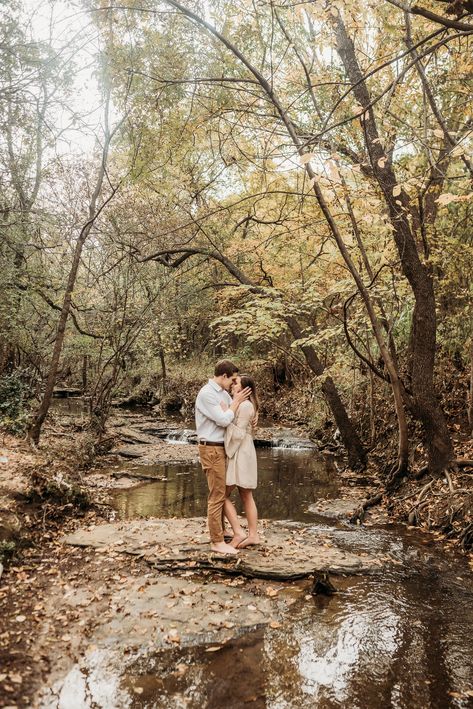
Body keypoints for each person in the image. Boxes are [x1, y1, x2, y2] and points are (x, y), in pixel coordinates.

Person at [195, 360, 251, 555]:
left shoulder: (222, 393)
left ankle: (222, 530)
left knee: (220, 491)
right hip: (211, 449)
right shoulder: (207, 394)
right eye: (233, 379)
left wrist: (234, 406)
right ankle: (216, 541)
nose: (234, 384)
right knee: (217, 495)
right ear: (224, 376)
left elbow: (230, 417)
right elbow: (224, 419)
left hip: (221, 448)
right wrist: (234, 404)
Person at [222, 374, 260, 549]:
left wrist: (225, 413)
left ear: (245, 389)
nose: (232, 384)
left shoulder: (245, 406)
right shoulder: (244, 404)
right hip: (241, 450)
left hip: (241, 452)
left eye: (236, 383)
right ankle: (247, 534)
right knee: (240, 494)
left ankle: (246, 534)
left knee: (225, 494)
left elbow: (237, 433)